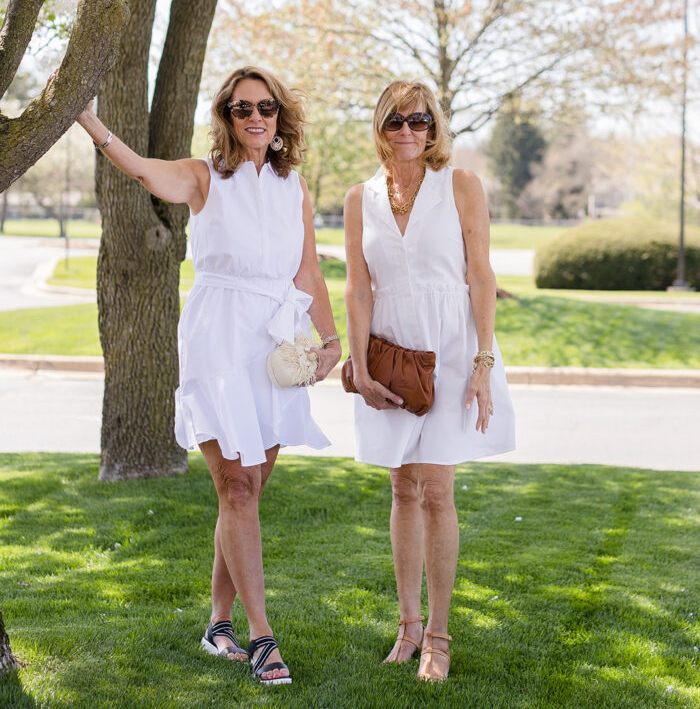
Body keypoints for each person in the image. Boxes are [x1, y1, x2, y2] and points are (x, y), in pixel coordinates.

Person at [76, 65, 342, 686]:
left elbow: (309, 273)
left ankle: (217, 624)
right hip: (218, 338)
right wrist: (88, 120)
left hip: (276, 343)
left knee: (249, 485)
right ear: (226, 116)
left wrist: (331, 342)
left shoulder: (293, 187)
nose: (256, 118)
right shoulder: (203, 176)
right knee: (237, 488)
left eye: (266, 108)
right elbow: (143, 170)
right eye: (242, 108)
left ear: (280, 118)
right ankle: (260, 636)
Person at [344, 79, 515, 683]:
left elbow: (481, 276)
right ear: (380, 127)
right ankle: (407, 627)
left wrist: (483, 362)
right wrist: (360, 366)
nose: (408, 131)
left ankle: (439, 641)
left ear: (434, 126)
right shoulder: (360, 197)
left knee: (437, 491)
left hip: (450, 348)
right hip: (391, 352)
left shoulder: (460, 184)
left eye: (419, 120)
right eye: (396, 121)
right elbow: (359, 287)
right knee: (401, 489)